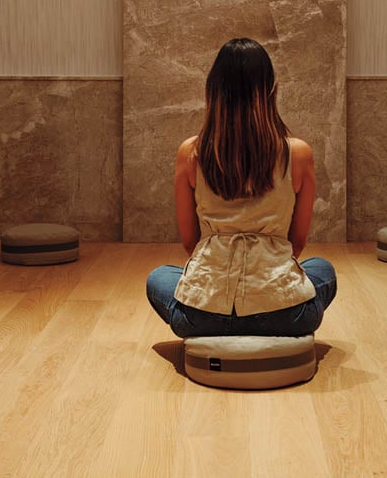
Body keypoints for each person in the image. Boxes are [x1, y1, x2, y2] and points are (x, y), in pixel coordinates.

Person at [145, 37, 338, 338]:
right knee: (322, 270)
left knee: (159, 277)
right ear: (271, 91)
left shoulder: (191, 153)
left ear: (213, 92)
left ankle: (213, 316)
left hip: (202, 317)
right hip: (288, 316)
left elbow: (189, 243)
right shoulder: (298, 153)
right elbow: (296, 243)